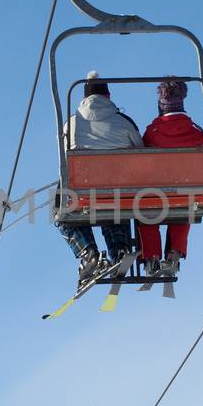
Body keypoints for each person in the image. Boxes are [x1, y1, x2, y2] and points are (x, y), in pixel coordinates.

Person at [58, 71, 143, 285]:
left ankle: (88, 253)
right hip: (117, 192)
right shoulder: (124, 122)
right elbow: (141, 153)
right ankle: (119, 249)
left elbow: (63, 158)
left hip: (83, 191)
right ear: (108, 96)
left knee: (62, 210)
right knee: (115, 206)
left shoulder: (71, 124)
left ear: (84, 98)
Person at [137, 77, 203, 276]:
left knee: (147, 213)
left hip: (156, 193)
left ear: (161, 105)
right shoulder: (196, 132)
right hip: (186, 192)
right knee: (183, 208)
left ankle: (151, 256)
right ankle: (174, 252)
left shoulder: (152, 133)